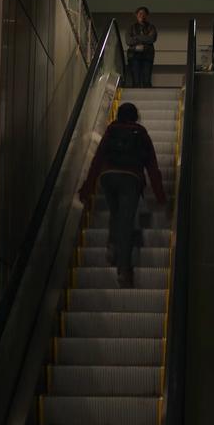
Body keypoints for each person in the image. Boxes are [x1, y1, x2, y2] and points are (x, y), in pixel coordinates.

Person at [79, 102, 167, 288]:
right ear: (135, 116)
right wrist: (160, 195)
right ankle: (124, 270)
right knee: (127, 223)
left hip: (108, 177)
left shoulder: (111, 130)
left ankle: (112, 243)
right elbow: (152, 165)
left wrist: (88, 187)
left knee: (116, 212)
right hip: (131, 178)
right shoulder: (141, 133)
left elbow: (97, 159)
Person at [126, 6, 157, 88]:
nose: (142, 15)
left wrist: (136, 37)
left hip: (147, 56)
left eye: (144, 13)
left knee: (147, 81)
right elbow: (128, 41)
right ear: (136, 15)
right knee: (135, 81)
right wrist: (144, 38)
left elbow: (151, 39)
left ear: (147, 15)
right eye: (140, 13)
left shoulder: (151, 27)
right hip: (134, 56)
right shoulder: (131, 27)